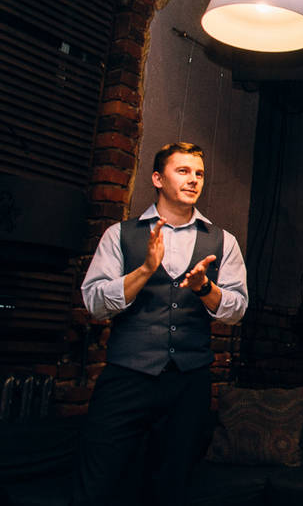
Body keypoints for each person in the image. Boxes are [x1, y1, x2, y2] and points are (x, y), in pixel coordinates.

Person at [73, 142, 248, 506]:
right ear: (157, 178)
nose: (193, 179)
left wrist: (205, 289)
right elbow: (95, 304)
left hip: (188, 381)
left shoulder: (223, 241)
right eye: (183, 171)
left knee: (171, 486)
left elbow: (237, 310)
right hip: (127, 375)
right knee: (99, 481)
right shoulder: (120, 234)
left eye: (199, 173)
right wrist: (145, 271)